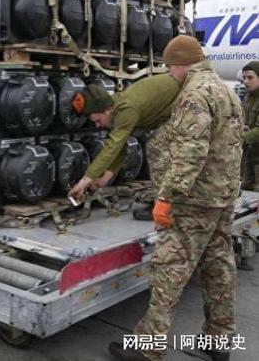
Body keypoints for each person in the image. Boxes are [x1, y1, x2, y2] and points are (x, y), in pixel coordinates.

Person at [108, 35, 243, 361]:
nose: (170, 74)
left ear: (181, 64)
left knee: (169, 269)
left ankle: (148, 348)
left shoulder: (194, 94)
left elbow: (191, 152)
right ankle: (219, 341)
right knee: (219, 267)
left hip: (194, 201)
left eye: (170, 67)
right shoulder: (227, 90)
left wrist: (167, 196)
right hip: (223, 196)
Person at [68, 73, 181, 214]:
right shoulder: (116, 108)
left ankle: (166, 208)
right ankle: (166, 204)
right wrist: (107, 176)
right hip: (175, 109)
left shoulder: (126, 109)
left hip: (189, 101)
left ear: (107, 110)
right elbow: (120, 144)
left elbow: (114, 145)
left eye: (98, 120)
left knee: (159, 151)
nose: (97, 125)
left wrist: (85, 180)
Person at [240, 61, 259, 192]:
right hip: (249, 158)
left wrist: (238, 138)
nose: (246, 81)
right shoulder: (247, 96)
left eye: (250, 77)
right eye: (244, 77)